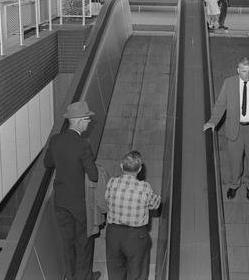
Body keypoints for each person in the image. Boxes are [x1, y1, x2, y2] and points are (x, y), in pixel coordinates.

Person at [44, 101, 101, 280]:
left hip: (60, 201)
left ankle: (71, 276)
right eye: (87, 119)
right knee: (84, 241)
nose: (89, 122)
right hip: (79, 203)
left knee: (67, 243)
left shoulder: (55, 140)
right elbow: (94, 175)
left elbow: (48, 163)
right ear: (77, 121)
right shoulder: (83, 144)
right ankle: (84, 277)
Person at [203, 56, 249, 200]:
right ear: (238, 70)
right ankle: (234, 184)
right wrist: (212, 121)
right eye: (244, 71)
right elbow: (221, 104)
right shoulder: (229, 83)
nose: (248, 74)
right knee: (235, 161)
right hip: (235, 130)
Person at [105, 151, 161, 280]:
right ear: (140, 169)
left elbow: (107, 200)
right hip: (136, 236)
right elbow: (155, 205)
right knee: (137, 271)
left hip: (113, 234)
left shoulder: (112, 182)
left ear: (121, 166)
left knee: (115, 271)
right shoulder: (144, 187)